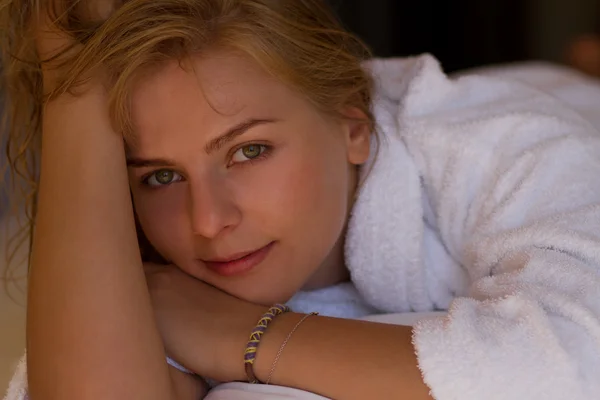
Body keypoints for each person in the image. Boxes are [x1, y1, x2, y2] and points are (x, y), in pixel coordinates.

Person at [2, 1, 600, 399]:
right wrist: (69, 81)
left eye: (249, 151)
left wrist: (246, 336)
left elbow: (576, 364)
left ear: (352, 125)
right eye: (159, 177)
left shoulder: (497, 150)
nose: (208, 222)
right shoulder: (139, 262)